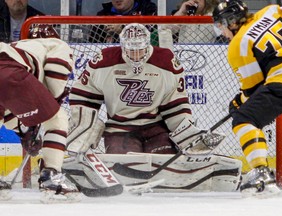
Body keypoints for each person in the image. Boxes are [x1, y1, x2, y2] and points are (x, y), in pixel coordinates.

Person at [68, 23, 224, 156]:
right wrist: (85, 123)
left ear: (148, 45)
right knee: (125, 166)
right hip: (119, 129)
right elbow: (84, 96)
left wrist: (187, 134)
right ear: (122, 46)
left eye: (140, 50)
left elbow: (175, 105)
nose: (136, 55)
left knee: (164, 163)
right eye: (131, 50)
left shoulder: (165, 62)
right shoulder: (104, 62)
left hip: (155, 128)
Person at [212, 0, 282, 196]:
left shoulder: (238, 45)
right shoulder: (271, 10)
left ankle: (261, 173)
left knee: (244, 119)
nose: (222, 33)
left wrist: (238, 103)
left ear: (231, 22)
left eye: (221, 26)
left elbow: (254, 88)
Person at [0, 25, 80, 200]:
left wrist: (25, 132)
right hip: (9, 73)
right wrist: (54, 100)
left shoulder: (16, 45)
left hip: (6, 74)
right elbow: (56, 70)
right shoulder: (55, 43)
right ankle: (51, 176)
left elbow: (11, 112)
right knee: (57, 119)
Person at [89, 0, 157, 43]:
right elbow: (92, 43)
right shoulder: (103, 14)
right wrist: (104, 32)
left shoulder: (148, 9)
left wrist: (124, 29)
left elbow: (152, 36)